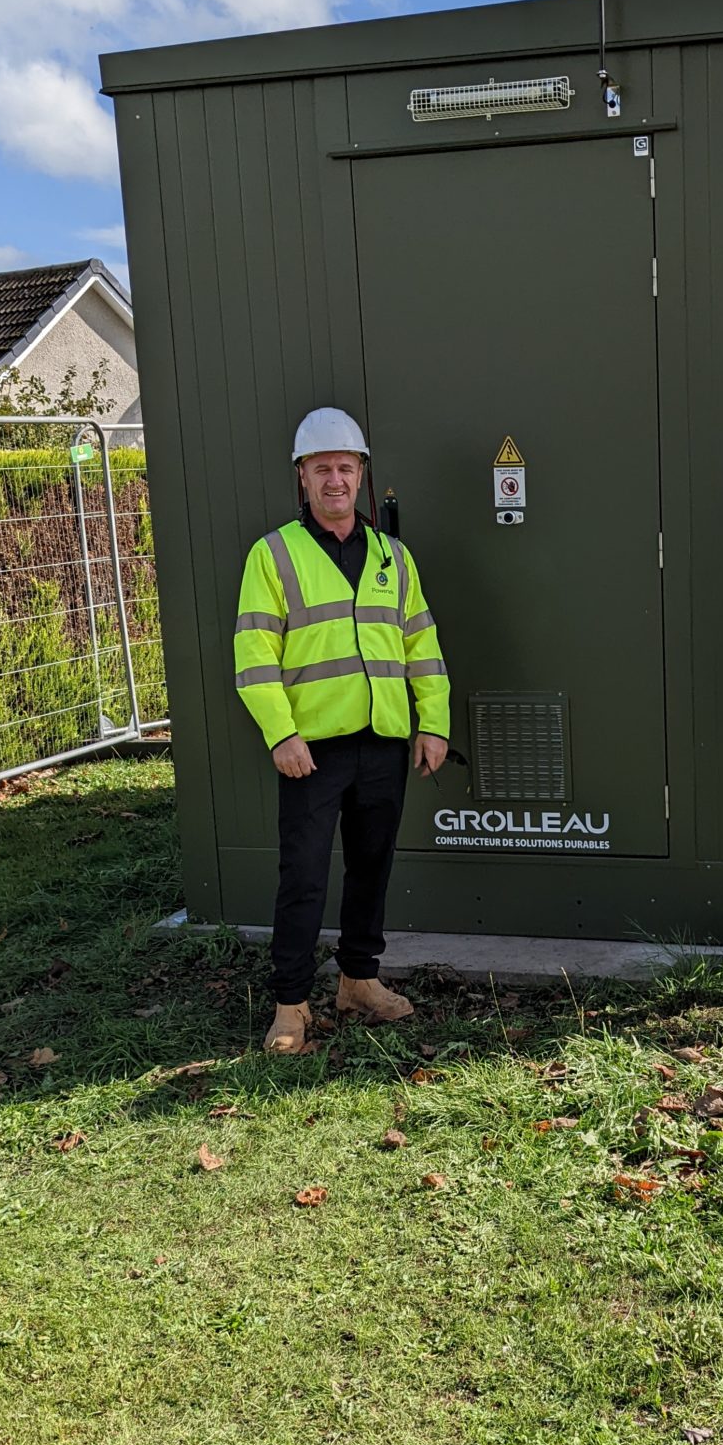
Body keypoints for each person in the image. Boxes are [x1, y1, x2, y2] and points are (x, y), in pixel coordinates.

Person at [234, 408, 450, 1052]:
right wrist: (281, 734)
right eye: (322, 468)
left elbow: (423, 646)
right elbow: (254, 656)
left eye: (345, 468)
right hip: (312, 750)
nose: (335, 480)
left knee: (371, 866)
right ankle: (291, 1005)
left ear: (361, 477)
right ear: (301, 477)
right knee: (303, 876)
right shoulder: (272, 555)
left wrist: (431, 724)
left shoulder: (393, 556)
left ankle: (358, 981)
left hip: (384, 743)